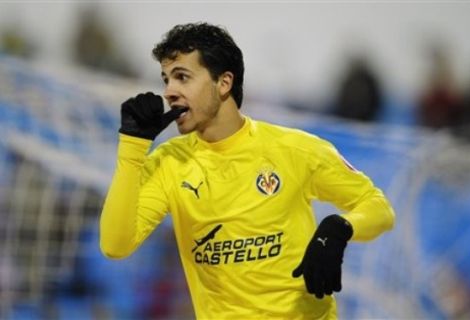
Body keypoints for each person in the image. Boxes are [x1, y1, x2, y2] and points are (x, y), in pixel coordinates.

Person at [100, 22, 395, 319]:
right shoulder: (170, 162)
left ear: (224, 83)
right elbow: (115, 245)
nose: (169, 92)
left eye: (182, 77)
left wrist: (340, 229)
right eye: (166, 79)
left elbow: (378, 207)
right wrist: (132, 148)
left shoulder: (294, 150)